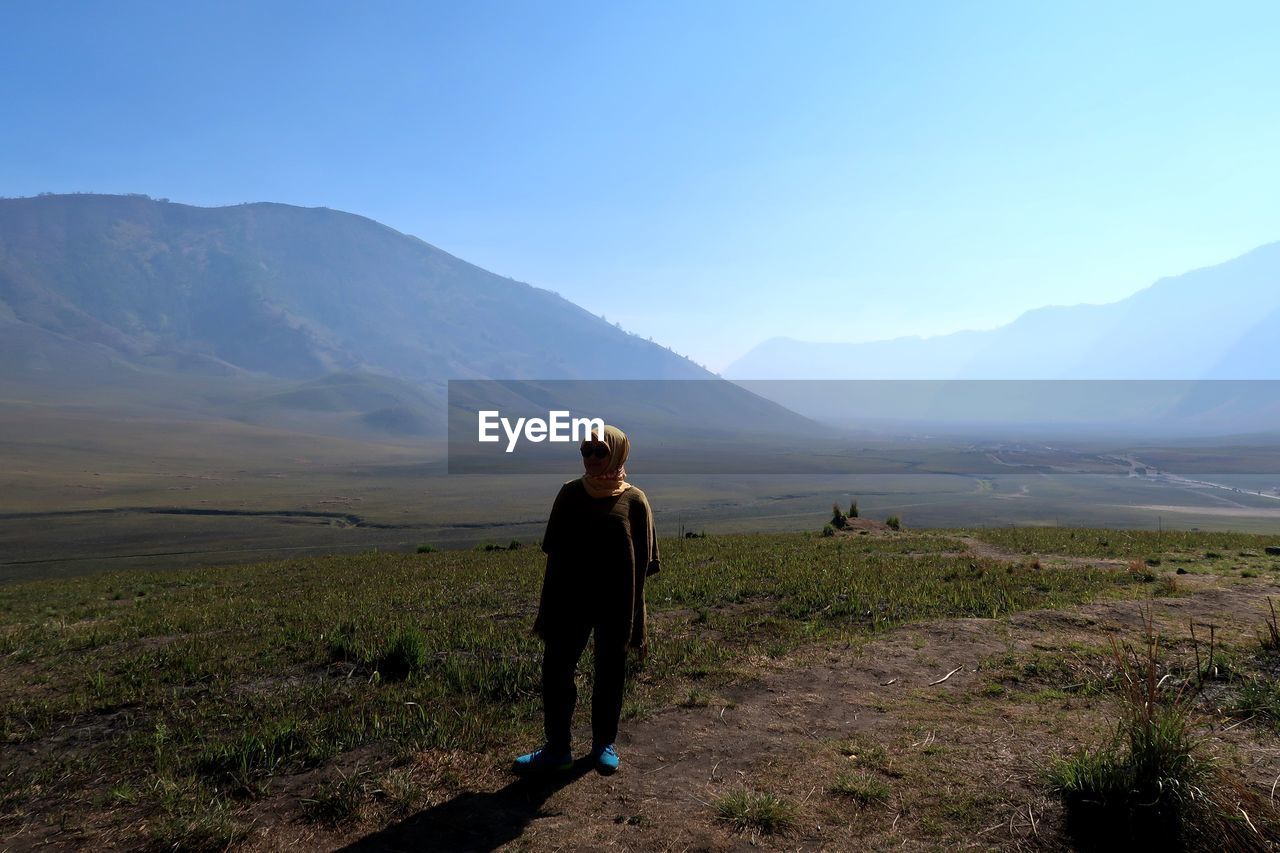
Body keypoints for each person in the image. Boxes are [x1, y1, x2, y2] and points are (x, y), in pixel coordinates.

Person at [513, 424, 660, 775]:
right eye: (585, 451)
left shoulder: (635, 500)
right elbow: (553, 548)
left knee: (610, 671)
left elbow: (644, 561)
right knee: (556, 670)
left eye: (599, 451)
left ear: (618, 452)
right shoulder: (569, 494)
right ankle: (557, 748)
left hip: (615, 603)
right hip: (569, 599)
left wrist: (637, 615)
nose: (591, 458)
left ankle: (603, 744)